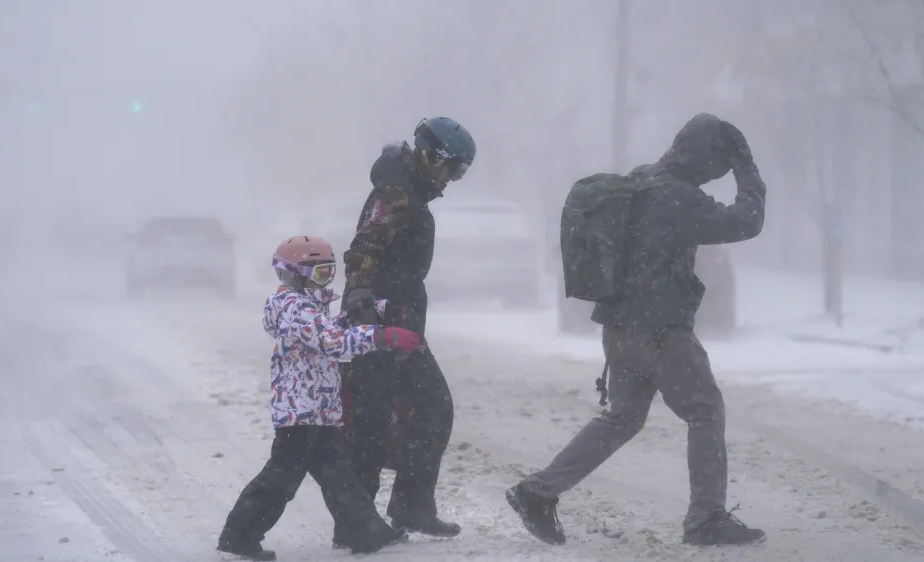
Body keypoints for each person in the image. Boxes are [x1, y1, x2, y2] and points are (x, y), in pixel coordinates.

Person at [506, 113, 768, 547]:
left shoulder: (640, 181)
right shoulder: (678, 197)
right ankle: (706, 519)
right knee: (705, 410)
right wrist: (747, 169)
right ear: (707, 160)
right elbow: (747, 221)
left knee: (622, 418)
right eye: (718, 166)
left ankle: (538, 491)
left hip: (621, 327)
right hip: (661, 329)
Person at [217, 235, 422, 560]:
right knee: (281, 478)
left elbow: (327, 330)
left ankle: (367, 533)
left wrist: (362, 313)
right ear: (295, 274)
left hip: (319, 409)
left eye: (329, 272)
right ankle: (240, 534)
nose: (325, 280)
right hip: (300, 412)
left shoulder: (307, 307)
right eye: (319, 274)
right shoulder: (294, 307)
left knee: (338, 473)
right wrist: (380, 336)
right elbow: (330, 342)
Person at [337, 117, 476, 544]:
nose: (452, 179)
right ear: (430, 156)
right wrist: (361, 301)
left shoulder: (411, 192)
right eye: (452, 168)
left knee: (433, 408)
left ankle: (411, 505)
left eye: (460, 172)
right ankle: (355, 525)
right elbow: (364, 247)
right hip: (376, 324)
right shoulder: (395, 192)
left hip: (404, 326)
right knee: (370, 423)